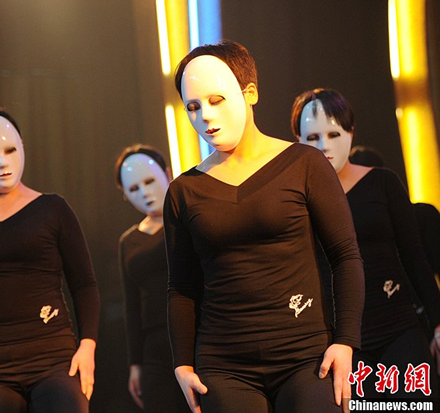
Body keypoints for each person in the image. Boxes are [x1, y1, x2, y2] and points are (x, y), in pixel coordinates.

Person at [164, 40, 364, 413]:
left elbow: (345, 255)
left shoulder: (304, 163)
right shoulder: (183, 191)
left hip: (307, 355)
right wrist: (182, 364)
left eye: (216, 100)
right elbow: (182, 287)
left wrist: (346, 341)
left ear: (250, 93)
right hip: (223, 364)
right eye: (193, 106)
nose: (205, 116)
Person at [0, 107, 100, 413]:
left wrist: (87, 345)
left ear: (22, 146)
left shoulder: (53, 209)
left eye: (10, 150)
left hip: (53, 357)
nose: (2, 163)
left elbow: (84, 284)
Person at [292, 88, 440, 400]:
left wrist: (438, 322)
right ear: (299, 140)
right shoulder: (297, 200)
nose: (324, 145)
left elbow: (414, 256)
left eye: (333, 134)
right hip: (341, 340)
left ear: (350, 131)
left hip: (398, 325)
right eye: (313, 137)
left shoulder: (382, 182)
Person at [115, 144, 189, 412]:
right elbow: (132, 306)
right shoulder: (129, 241)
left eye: (149, 181)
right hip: (155, 347)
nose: (145, 192)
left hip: (197, 335)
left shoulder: (187, 219)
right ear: (125, 195)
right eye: (134, 188)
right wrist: (135, 363)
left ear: (167, 173)